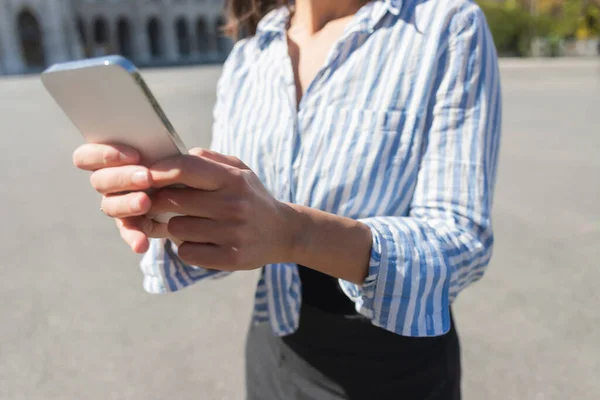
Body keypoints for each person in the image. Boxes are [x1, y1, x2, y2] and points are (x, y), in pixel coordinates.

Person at [72, 0, 501, 398]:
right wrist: (165, 205)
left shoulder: (444, 25)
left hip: (395, 361)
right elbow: (239, 218)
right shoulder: (251, 52)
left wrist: (294, 235)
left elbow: (461, 242)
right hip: (274, 346)